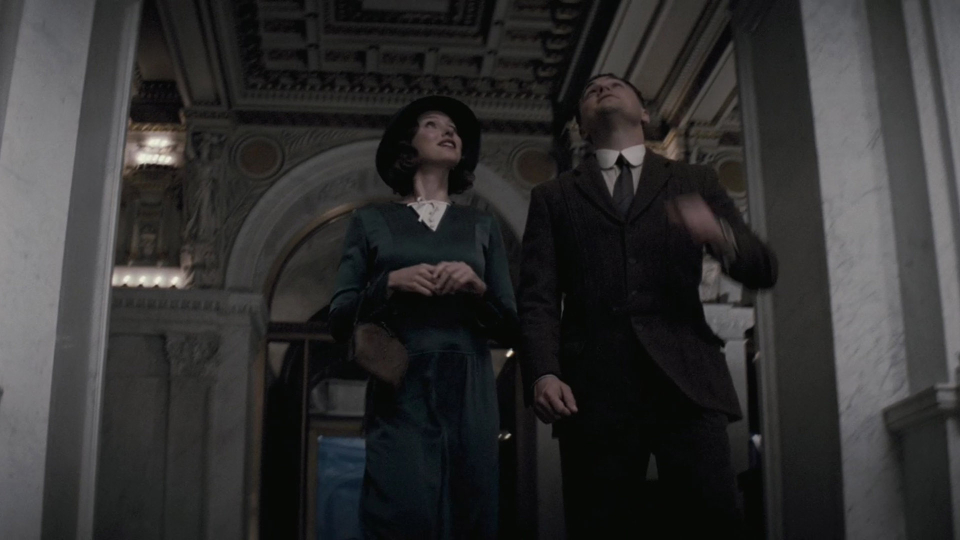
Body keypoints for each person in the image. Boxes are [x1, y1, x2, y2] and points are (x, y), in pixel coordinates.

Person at [518, 73, 778, 538]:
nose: (601, 88)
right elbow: (537, 296)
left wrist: (719, 235)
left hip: (687, 382)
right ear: (581, 126)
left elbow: (763, 270)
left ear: (643, 112)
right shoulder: (552, 197)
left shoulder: (694, 179)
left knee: (712, 523)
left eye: (615, 84)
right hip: (592, 391)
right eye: (590, 90)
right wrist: (543, 372)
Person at [329, 95, 519, 540]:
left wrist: (477, 287)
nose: (449, 131)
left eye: (454, 129)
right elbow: (339, 318)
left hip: (470, 382)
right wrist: (388, 283)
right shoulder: (370, 221)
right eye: (433, 124)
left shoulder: (481, 224)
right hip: (401, 382)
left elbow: (512, 324)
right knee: (401, 511)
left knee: (471, 510)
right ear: (407, 145)